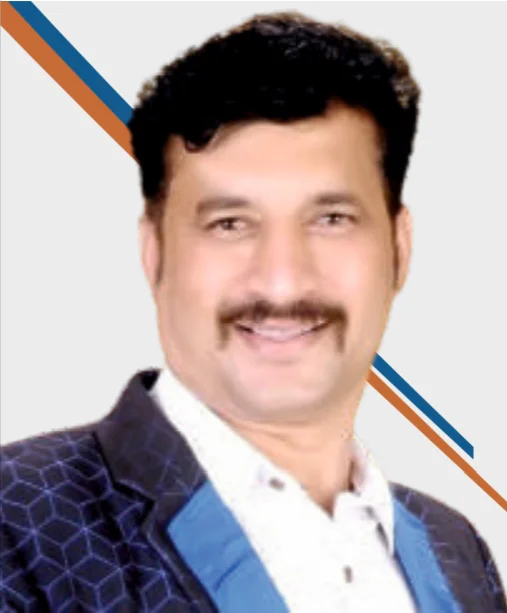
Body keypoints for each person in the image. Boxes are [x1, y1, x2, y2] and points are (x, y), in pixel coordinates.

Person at [1, 11, 505, 613]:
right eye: (230, 224)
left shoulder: (456, 551)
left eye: (332, 219)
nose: (282, 279)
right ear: (154, 252)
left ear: (399, 248)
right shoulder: (20, 524)